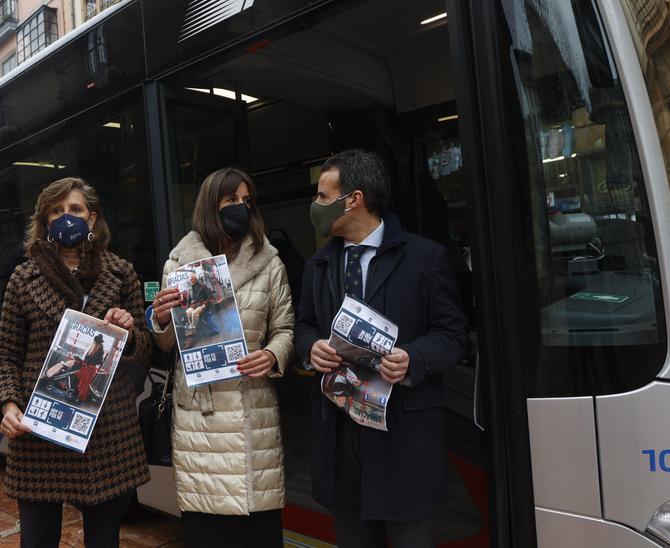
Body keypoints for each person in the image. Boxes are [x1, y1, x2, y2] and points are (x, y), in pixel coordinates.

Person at [294, 150, 469, 547]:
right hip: (339, 433)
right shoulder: (318, 265)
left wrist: (414, 359)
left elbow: (454, 334)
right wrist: (312, 348)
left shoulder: (425, 258)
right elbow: (303, 325)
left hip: (403, 434)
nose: (316, 207)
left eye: (323, 197)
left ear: (353, 199)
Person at [0, 177, 153, 548]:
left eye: (76, 209)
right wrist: (9, 403)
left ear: (92, 218)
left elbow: (145, 346)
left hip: (107, 432)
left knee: (104, 540)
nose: (67, 218)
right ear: (45, 221)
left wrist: (128, 333)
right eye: (57, 210)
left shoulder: (121, 272)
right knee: (37, 540)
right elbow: (5, 354)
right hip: (40, 432)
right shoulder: (23, 278)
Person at [149, 167, 294, 547]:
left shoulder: (269, 261)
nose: (240, 209)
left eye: (247, 201)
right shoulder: (179, 264)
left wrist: (272, 355)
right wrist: (161, 318)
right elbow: (165, 346)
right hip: (201, 420)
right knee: (209, 532)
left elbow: (285, 329)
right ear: (210, 206)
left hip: (253, 412)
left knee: (259, 530)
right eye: (231, 200)